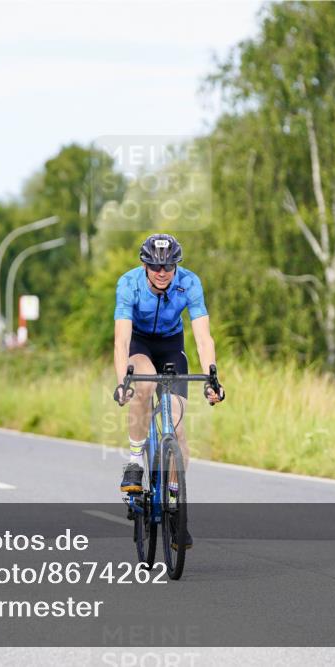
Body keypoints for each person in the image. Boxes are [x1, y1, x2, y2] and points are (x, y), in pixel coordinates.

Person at [112, 234, 225, 550]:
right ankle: (135, 462)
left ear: (176, 265)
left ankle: (175, 504)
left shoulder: (189, 282)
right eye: (155, 266)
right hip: (140, 345)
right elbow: (121, 341)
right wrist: (124, 381)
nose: (162, 272)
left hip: (172, 348)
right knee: (144, 383)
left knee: (176, 425)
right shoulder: (128, 284)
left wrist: (213, 379)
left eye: (169, 266)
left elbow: (203, 337)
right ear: (145, 265)